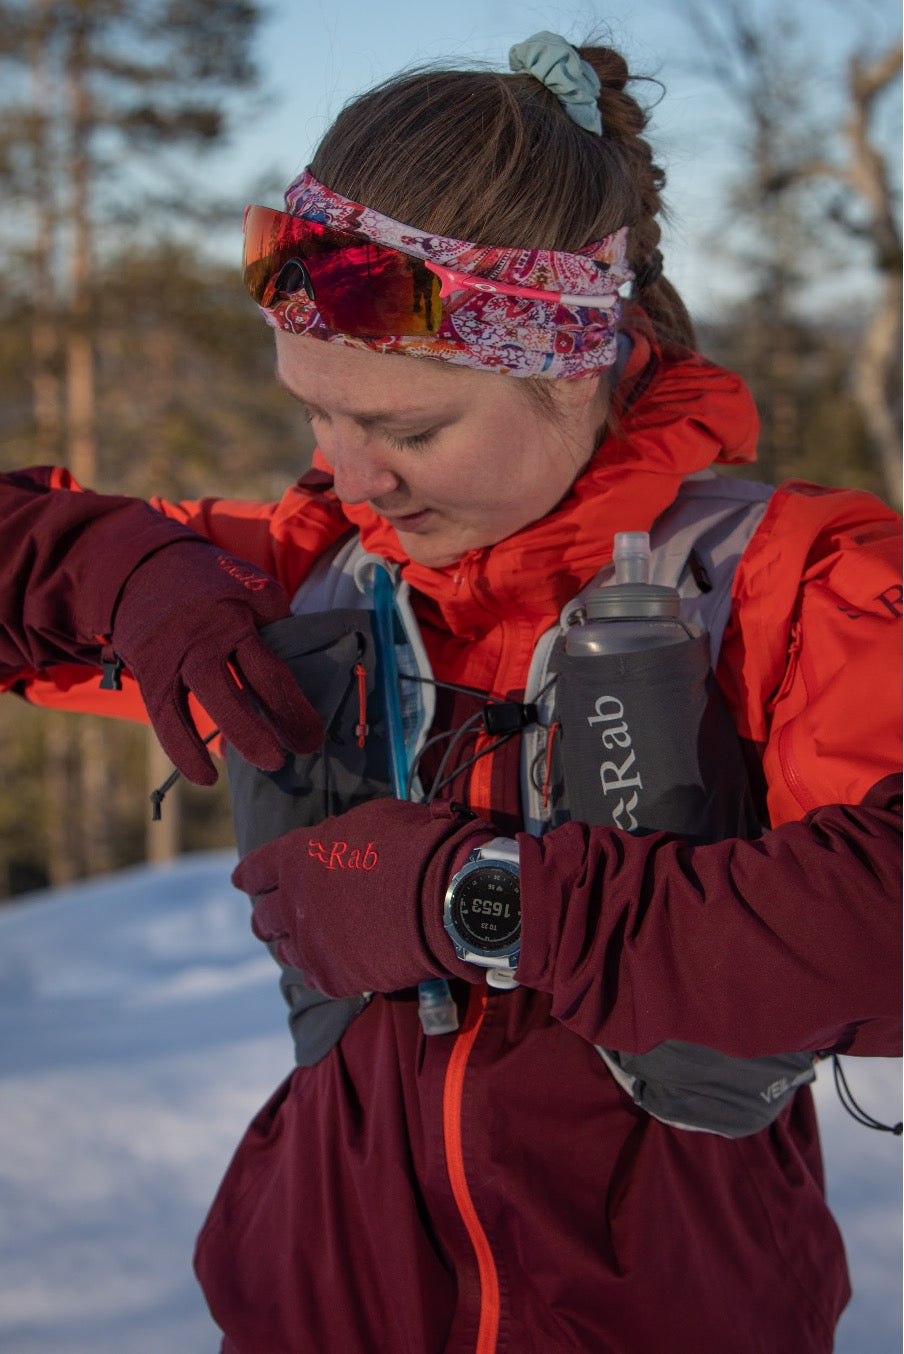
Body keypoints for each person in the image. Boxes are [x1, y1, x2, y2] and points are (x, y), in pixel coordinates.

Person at [0, 31, 900, 1354]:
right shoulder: (310, 581)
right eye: (318, 413)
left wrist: (484, 900)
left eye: (411, 431)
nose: (351, 475)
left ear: (575, 359)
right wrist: (114, 567)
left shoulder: (787, 582)